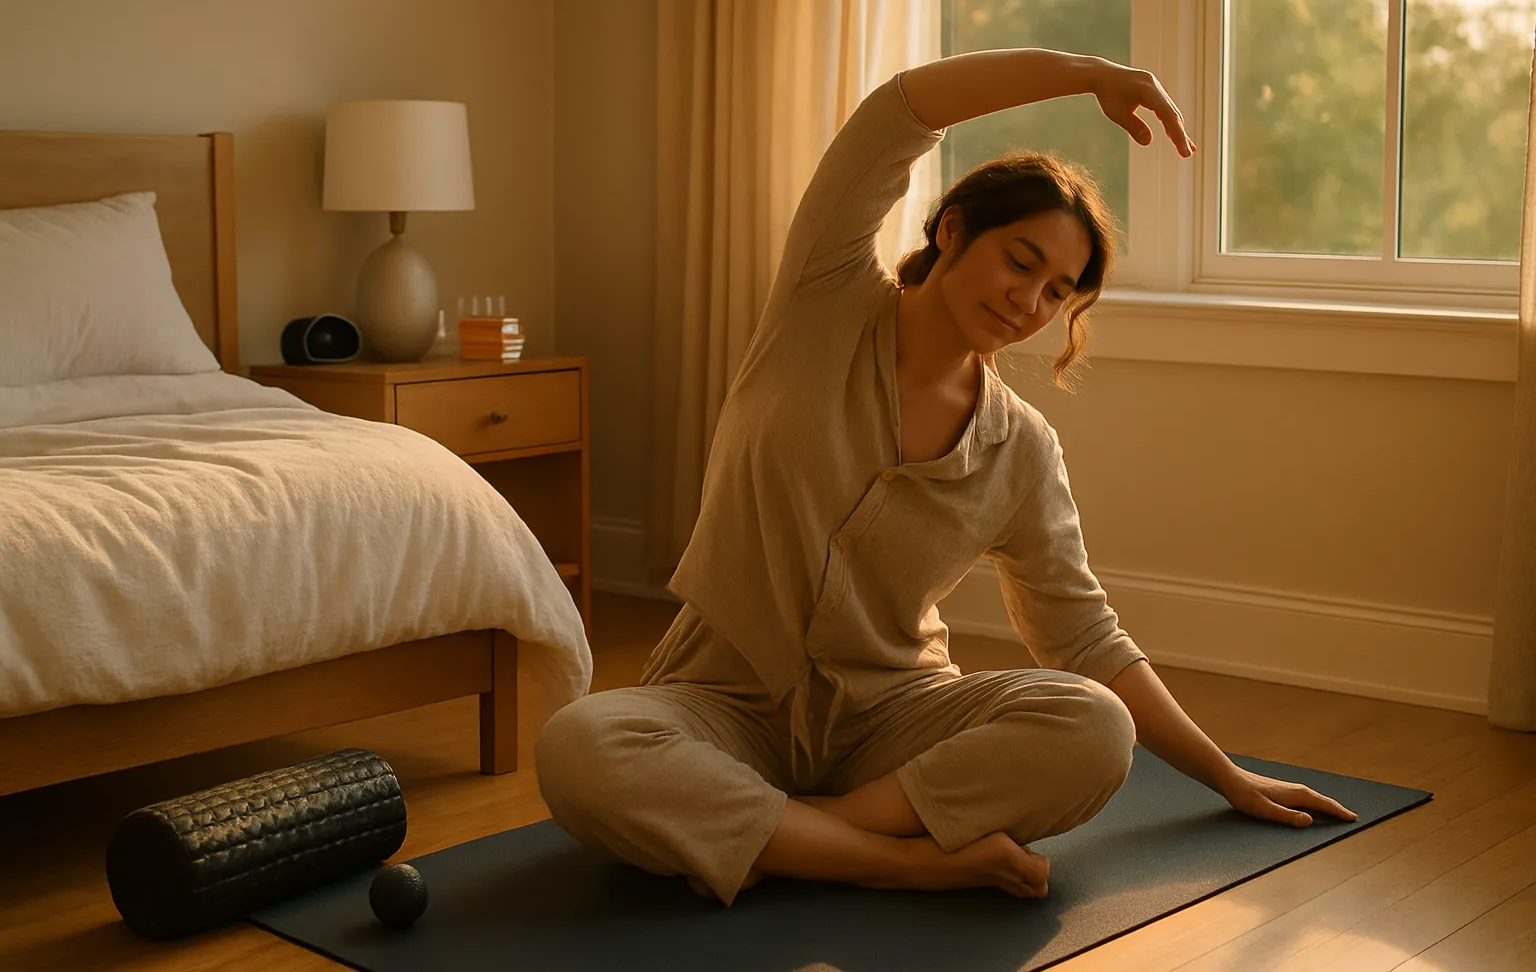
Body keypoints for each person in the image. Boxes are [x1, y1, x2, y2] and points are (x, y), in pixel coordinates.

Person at [536, 47, 1357, 907]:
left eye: (1057, 291)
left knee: (1093, 726)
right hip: (720, 700)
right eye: (1020, 261)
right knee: (579, 745)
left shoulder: (1020, 450)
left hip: (892, 723)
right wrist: (1087, 74)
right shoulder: (822, 300)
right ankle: (893, 860)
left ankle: (797, 833)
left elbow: (1084, 638)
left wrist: (1228, 777)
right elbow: (897, 114)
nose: (1029, 302)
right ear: (953, 230)